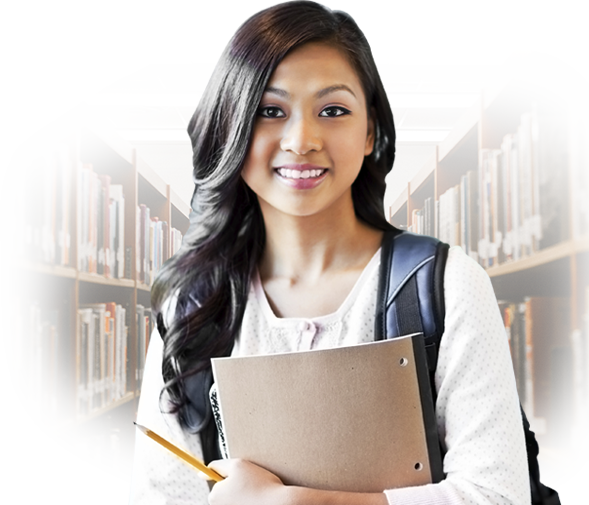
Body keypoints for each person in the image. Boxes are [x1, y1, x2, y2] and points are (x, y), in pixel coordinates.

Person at [129, 2, 530, 504]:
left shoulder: (446, 284)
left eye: (333, 110)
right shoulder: (193, 306)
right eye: (270, 111)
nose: (303, 141)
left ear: (369, 133)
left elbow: (499, 496)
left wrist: (299, 503)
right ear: (231, 125)